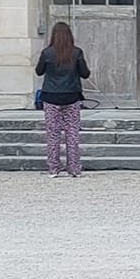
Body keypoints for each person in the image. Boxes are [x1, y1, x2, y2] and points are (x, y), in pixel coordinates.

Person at [35, 21, 89, 177]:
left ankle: (53, 168)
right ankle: (74, 168)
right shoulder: (77, 52)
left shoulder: (47, 53)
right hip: (71, 95)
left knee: (53, 133)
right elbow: (85, 73)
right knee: (72, 133)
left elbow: (39, 71)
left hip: (51, 96)